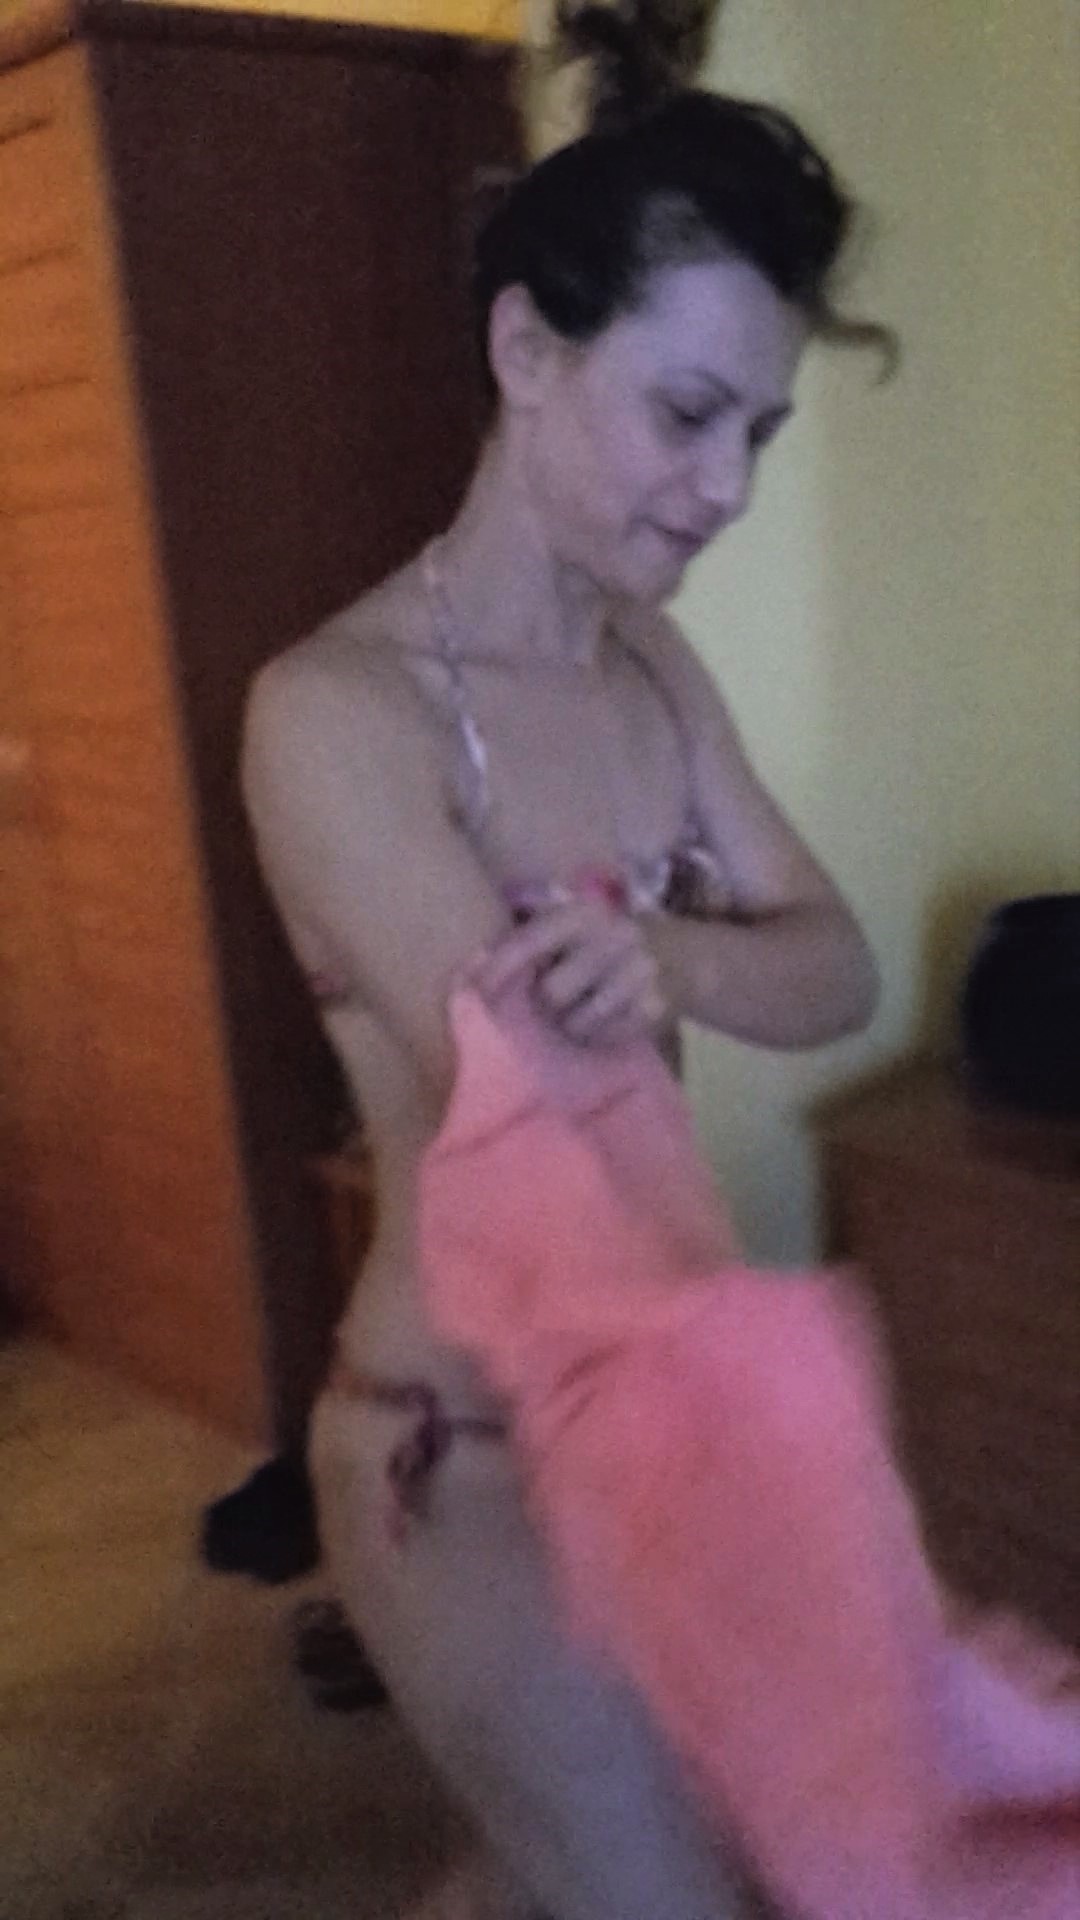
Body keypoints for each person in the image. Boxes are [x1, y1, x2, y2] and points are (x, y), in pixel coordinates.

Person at [242, 3, 891, 1911]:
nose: (730, 487)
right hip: (460, 1462)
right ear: (529, 351)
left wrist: (676, 958)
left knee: (577, 1873)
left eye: (759, 432)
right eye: (690, 415)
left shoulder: (650, 669)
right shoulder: (332, 713)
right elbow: (539, 1106)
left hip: (659, 1424)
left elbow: (839, 969)